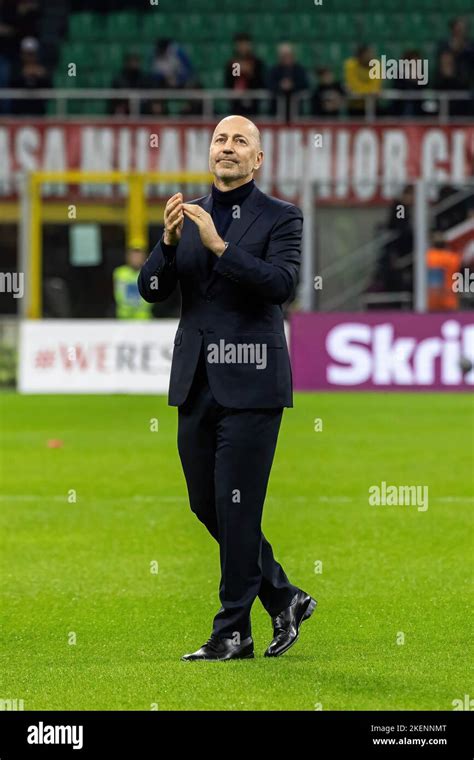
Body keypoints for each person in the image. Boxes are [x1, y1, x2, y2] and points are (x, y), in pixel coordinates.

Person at [138, 115, 317, 661]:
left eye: (241, 141)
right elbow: (150, 291)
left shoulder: (282, 217)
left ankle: (232, 631)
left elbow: (281, 285)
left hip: (254, 381)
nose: (228, 148)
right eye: (220, 139)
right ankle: (283, 595)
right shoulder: (185, 216)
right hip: (196, 381)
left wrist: (219, 246)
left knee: (237, 508)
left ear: (257, 160)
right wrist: (167, 244)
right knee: (205, 502)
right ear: (209, 153)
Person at [224, 33, 265, 116]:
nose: (243, 47)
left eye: (245, 44)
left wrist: (250, 73)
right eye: (240, 44)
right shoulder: (234, 62)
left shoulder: (256, 62)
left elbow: (261, 81)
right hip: (237, 102)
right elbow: (231, 81)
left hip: (253, 101)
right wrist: (239, 69)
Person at [267, 43, 309, 122]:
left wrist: (292, 85)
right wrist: (280, 86)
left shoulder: (299, 70)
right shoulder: (274, 70)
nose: (286, 58)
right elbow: (269, 84)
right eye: (284, 56)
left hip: (297, 112)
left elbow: (305, 84)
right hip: (276, 111)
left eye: (288, 55)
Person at [113, 245, 153, 320]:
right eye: (133, 256)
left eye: (138, 256)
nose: (136, 259)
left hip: (144, 318)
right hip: (124, 318)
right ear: (128, 257)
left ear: (144, 258)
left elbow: (151, 296)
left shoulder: (149, 273)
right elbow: (120, 296)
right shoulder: (120, 273)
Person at [344, 43, 381, 117]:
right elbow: (353, 85)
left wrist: (366, 92)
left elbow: (375, 85)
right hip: (355, 105)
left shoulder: (376, 64)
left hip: (373, 105)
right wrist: (368, 92)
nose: (371, 56)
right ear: (360, 55)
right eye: (368, 54)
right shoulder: (350, 64)